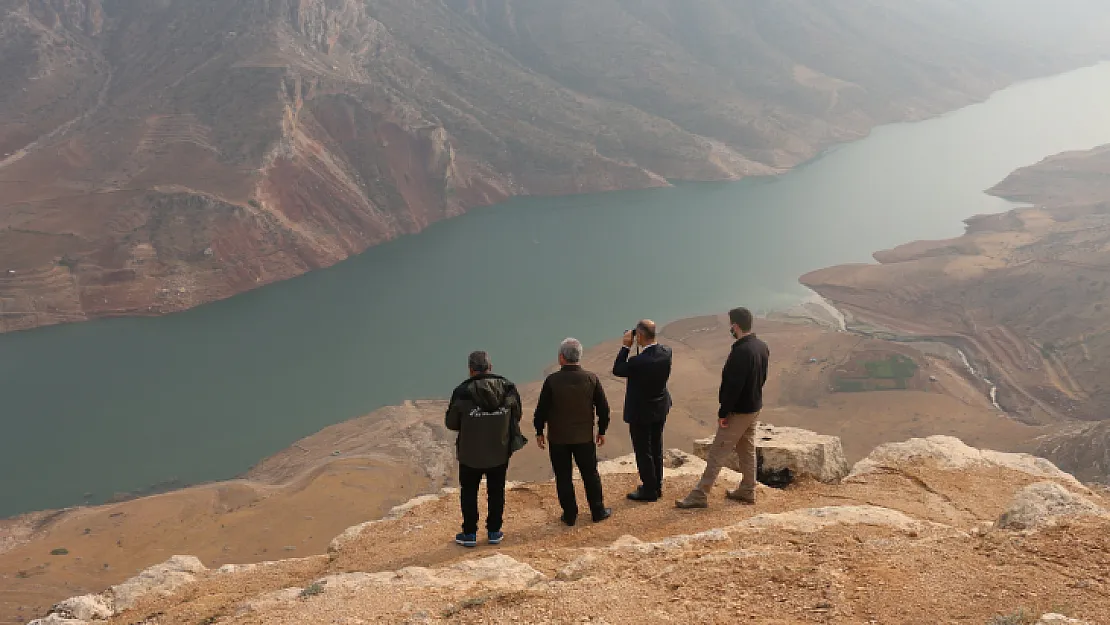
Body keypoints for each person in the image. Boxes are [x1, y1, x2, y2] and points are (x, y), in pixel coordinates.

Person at [676, 307, 770, 509]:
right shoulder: (761, 346)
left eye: (730, 324)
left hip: (739, 411)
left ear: (735, 326)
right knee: (746, 449)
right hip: (754, 407)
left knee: (717, 452)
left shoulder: (741, 351)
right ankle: (747, 489)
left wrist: (723, 412)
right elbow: (762, 378)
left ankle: (700, 494)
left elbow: (733, 386)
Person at [445, 351, 522, 547]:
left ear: (471, 370)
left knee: (469, 492)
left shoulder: (462, 392)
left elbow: (451, 423)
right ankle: (494, 531)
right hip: (499, 450)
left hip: (470, 454)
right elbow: (517, 415)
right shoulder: (508, 388)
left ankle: (469, 533)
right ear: (490, 367)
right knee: (496, 491)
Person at [534, 338, 613, 526]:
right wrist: (601, 430)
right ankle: (598, 510)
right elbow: (604, 408)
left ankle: (569, 515)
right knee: (590, 474)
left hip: (558, 439)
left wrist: (539, 431)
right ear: (579, 356)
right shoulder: (591, 378)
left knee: (563, 476)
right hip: (584, 437)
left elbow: (541, 410)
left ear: (561, 358)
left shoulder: (552, 381)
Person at [612, 319, 672, 502]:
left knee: (643, 451)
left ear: (639, 336)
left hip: (641, 413)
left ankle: (649, 490)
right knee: (656, 446)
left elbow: (617, 369)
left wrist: (625, 347)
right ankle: (657, 485)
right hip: (659, 408)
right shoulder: (666, 352)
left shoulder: (638, 362)